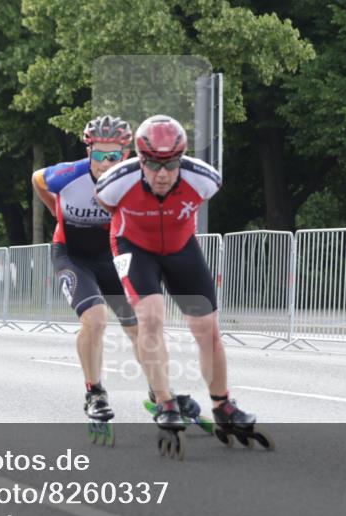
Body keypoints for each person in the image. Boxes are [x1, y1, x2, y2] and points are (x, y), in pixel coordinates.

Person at [95, 114, 271, 454]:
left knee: (208, 329)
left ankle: (223, 405)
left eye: (171, 164)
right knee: (150, 318)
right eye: (154, 165)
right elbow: (108, 209)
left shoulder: (205, 179)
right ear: (140, 159)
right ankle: (165, 402)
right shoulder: (115, 182)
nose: (163, 174)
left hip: (181, 248)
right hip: (133, 247)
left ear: (181, 158)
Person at [32, 115, 142, 436]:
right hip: (73, 255)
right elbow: (38, 178)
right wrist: (56, 208)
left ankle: (158, 389)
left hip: (112, 256)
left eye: (115, 156)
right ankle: (94, 392)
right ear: (88, 151)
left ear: (126, 155)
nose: (106, 164)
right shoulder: (70, 175)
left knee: (140, 325)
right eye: (99, 155)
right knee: (95, 321)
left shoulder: (136, 178)